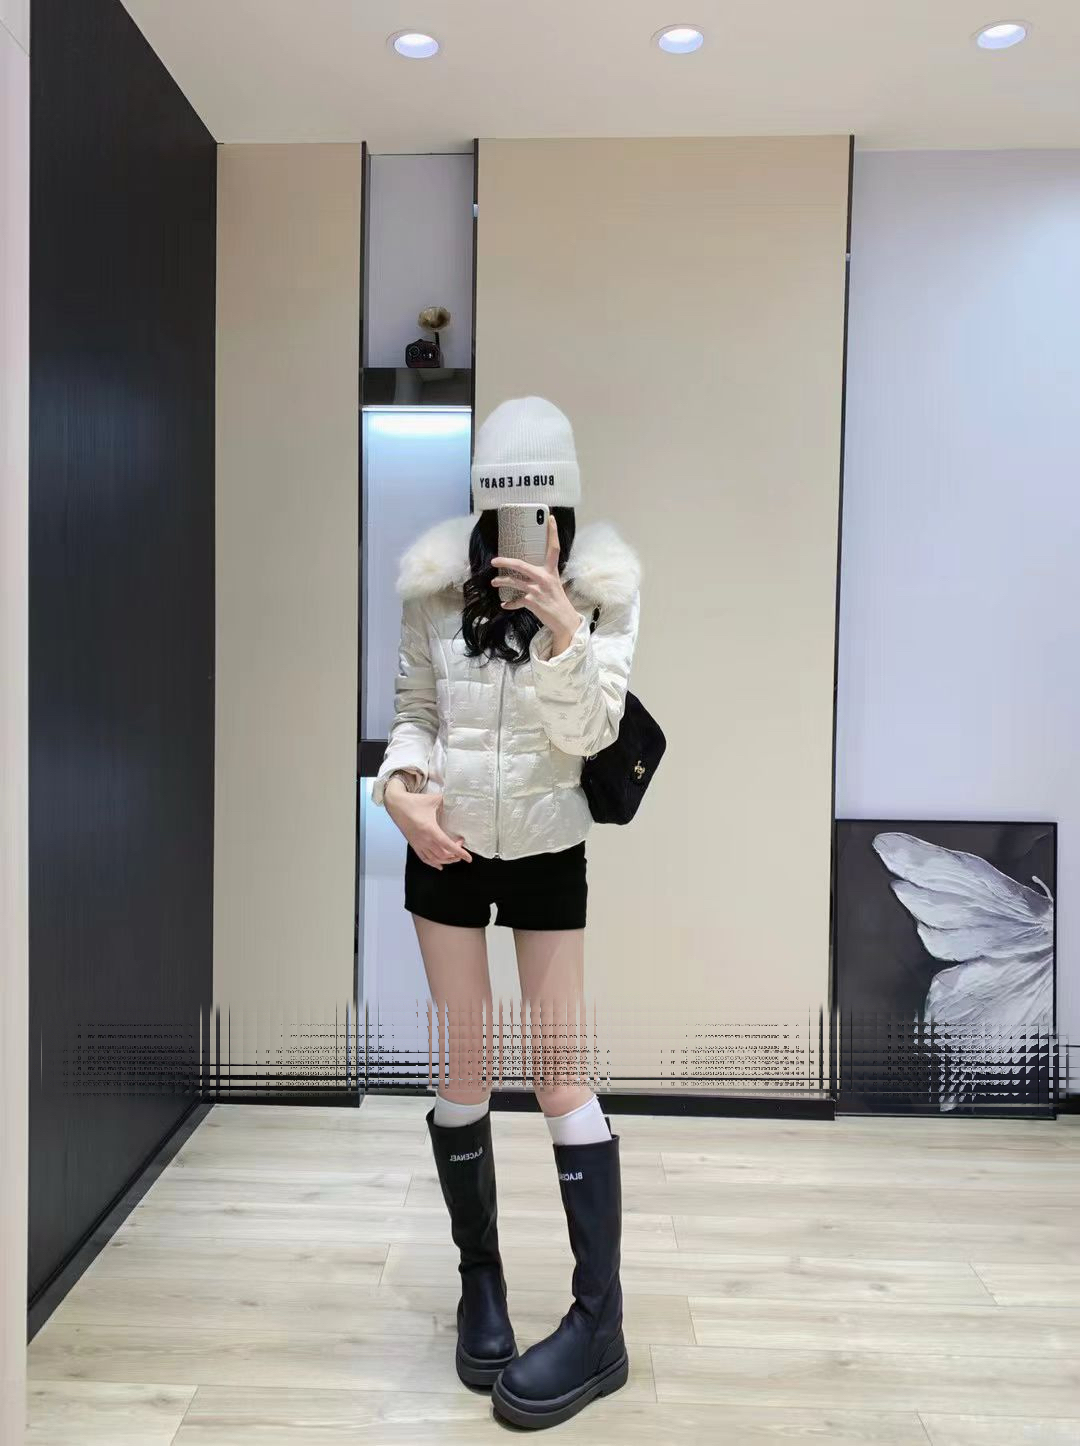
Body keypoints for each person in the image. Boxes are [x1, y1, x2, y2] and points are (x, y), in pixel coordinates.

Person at [371, 395, 641, 1429]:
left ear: (563, 500)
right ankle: (478, 1281)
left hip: (547, 845)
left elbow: (593, 733)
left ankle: (599, 1323)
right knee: (464, 1065)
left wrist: (565, 628)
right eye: (506, 499)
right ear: (483, 496)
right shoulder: (435, 589)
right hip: (444, 846)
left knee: (560, 1072)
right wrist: (401, 790)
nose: (523, 520)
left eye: (541, 501)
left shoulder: (603, 593)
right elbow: (413, 714)